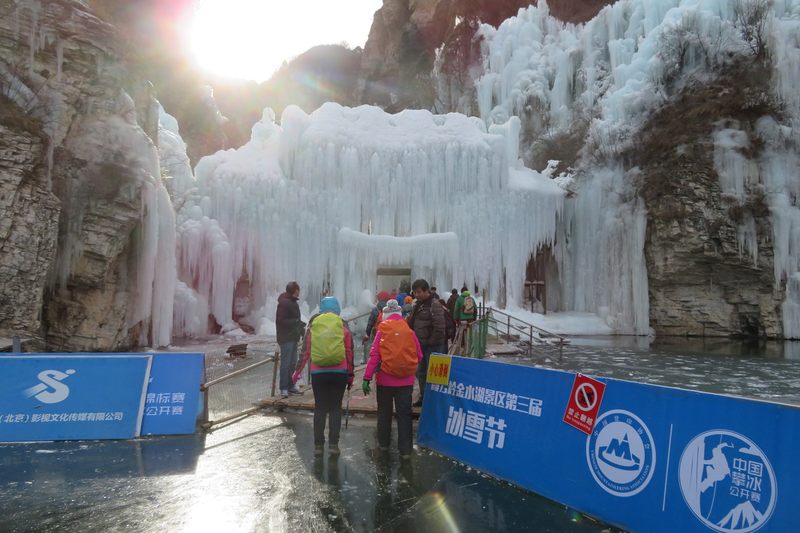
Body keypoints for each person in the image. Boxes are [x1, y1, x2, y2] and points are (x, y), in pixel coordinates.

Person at [293, 296, 354, 456]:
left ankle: (318, 446)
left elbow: (305, 351)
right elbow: (349, 352)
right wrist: (350, 375)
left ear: (321, 309)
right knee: (335, 408)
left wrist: (296, 372)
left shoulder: (314, 325)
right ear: (337, 309)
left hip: (319, 372)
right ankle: (333, 445)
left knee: (320, 408)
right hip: (339, 372)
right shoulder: (343, 325)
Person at [362, 299, 422, 459]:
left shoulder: (382, 331)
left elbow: (374, 356)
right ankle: (406, 451)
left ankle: (383, 445)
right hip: (406, 382)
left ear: (385, 315)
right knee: (404, 415)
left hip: (384, 381)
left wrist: (367, 377)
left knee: (384, 414)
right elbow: (420, 355)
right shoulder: (410, 332)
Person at [407, 279, 446, 407]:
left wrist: (430, 342)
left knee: (435, 375)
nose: (416, 295)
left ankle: (435, 400)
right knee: (421, 372)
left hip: (433, 346)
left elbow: (440, 327)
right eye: (415, 292)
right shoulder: (418, 304)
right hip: (420, 346)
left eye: (418, 292)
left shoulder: (434, 304)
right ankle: (424, 397)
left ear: (426, 291)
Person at [276, 281, 305, 399]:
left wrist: (301, 328)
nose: (299, 292)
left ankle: (291, 385)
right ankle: (283, 388)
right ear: (294, 291)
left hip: (293, 337)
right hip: (286, 337)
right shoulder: (284, 303)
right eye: (298, 290)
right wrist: (296, 323)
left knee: (293, 363)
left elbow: (294, 319)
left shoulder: (292, 302)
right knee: (286, 364)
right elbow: (281, 321)